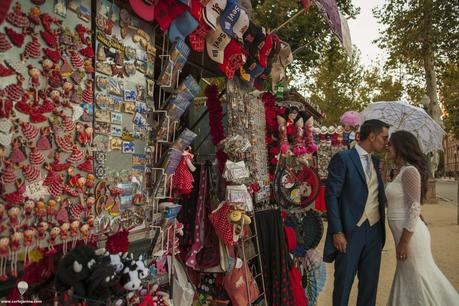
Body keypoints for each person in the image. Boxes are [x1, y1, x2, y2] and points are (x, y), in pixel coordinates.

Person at [385, 130, 459, 305]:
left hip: (409, 237)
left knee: (418, 275)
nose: (387, 147)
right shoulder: (401, 170)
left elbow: (414, 205)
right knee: (408, 276)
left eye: (390, 144)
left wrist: (404, 241)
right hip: (404, 233)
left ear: (401, 146)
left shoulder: (410, 171)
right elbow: (408, 201)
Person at [323, 119, 389, 306]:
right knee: (343, 285)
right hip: (350, 232)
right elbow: (331, 196)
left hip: (375, 232)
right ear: (372, 136)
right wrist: (337, 231)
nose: (386, 142)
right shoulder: (343, 158)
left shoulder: (376, 162)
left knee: (370, 286)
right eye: (384, 138)